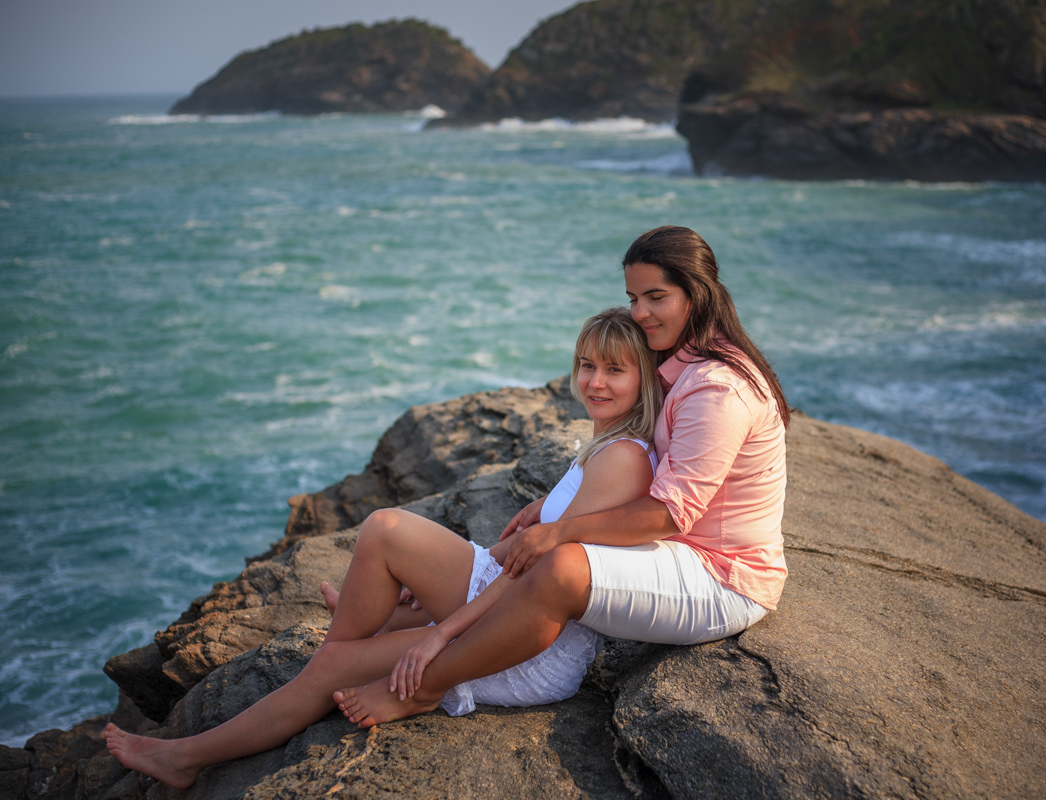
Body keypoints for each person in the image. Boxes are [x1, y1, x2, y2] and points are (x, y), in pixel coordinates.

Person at [102, 307, 663, 790]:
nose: (595, 382)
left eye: (615, 370)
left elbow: (539, 578)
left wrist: (441, 631)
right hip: (511, 597)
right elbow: (526, 553)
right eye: (587, 365)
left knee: (336, 661)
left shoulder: (622, 459)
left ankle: (187, 757)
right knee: (385, 528)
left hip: (531, 646)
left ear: (646, 379)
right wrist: (461, 573)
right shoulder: (605, 441)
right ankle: (361, 636)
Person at [333, 225, 790, 727]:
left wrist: (561, 528)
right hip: (683, 548)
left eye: (656, 297)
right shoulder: (683, 359)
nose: (640, 313)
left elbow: (670, 513)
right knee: (541, 543)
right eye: (633, 298)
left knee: (560, 563)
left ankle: (425, 686)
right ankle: (391, 620)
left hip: (725, 577)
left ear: (697, 293)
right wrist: (554, 509)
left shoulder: (717, 389)